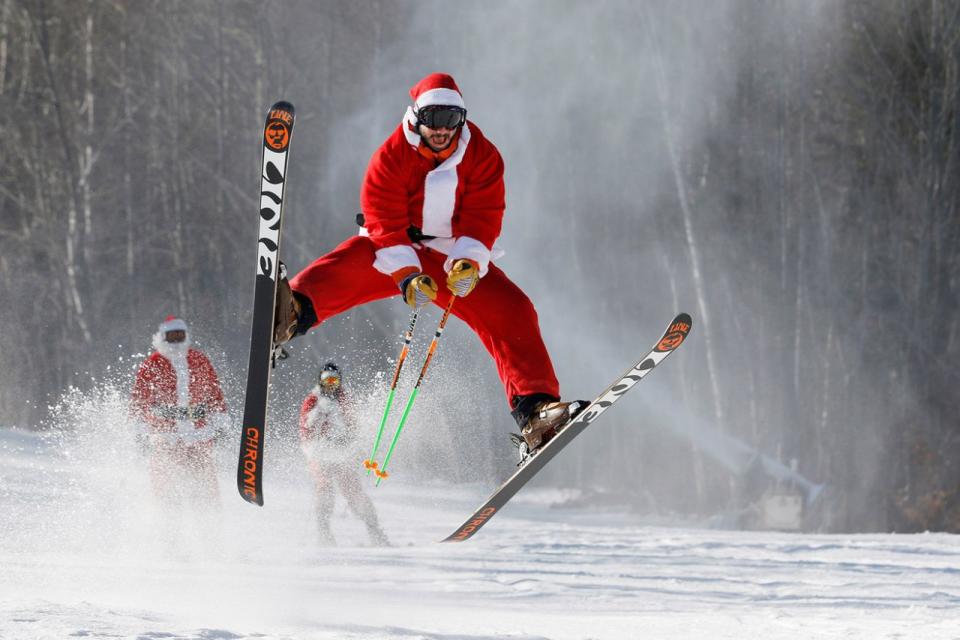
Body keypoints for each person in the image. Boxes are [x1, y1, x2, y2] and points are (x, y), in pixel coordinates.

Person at [274, 72, 583, 454]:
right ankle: (291, 311)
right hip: (392, 247)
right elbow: (381, 218)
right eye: (433, 119)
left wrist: (468, 262)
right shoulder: (391, 156)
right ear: (417, 118)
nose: (441, 130)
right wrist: (406, 275)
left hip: (450, 255)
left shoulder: (482, 155)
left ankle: (536, 410)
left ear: (463, 120)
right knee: (346, 267)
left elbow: (485, 213)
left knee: (512, 311)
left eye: (451, 120)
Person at [130, 316, 228, 504]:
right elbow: (138, 400)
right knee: (166, 492)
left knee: (205, 491)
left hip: (198, 436)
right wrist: (140, 432)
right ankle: (168, 527)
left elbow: (215, 394)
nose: (176, 340)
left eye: (179, 335)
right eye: (171, 336)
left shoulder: (198, 359)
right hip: (166, 438)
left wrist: (220, 422)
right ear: (163, 337)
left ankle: (209, 527)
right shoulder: (152, 363)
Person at [299, 362, 388, 546]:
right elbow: (304, 428)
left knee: (353, 491)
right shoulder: (313, 400)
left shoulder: (344, 399)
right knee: (323, 489)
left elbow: (354, 424)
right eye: (327, 379)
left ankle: (374, 529)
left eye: (334, 380)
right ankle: (323, 532)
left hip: (341, 453)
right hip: (320, 452)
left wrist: (351, 442)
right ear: (320, 380)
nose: (331, 383)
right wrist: (316, 417)